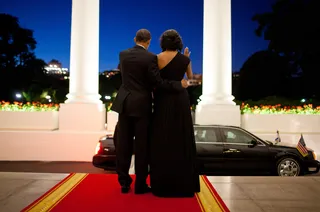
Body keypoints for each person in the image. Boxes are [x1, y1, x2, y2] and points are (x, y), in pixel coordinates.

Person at [111, 29, 189, 194]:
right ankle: (140, 186)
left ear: (135, 39)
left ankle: (124, 183)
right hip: (142, 106)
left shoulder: (123, 54)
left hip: (124, 104)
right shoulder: (151, 58)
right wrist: (177, 85)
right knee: (141, 147)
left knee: (123, 145)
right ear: (149, 41)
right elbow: (157, 82)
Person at [149, 29, 200, 197]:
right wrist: (185, 59)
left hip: (163, 101)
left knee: (163, 138)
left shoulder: (156, 58)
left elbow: (155, 81)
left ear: (163, 42)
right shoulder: (185, 59)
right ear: (178, 42)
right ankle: (183, 184)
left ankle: (163, 184)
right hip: (180, 101)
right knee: (181, 138)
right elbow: (191, 81)